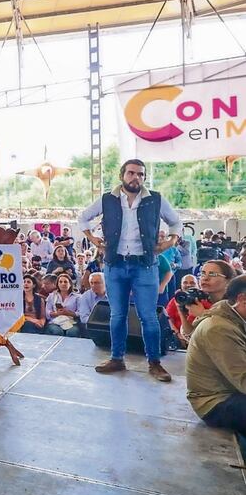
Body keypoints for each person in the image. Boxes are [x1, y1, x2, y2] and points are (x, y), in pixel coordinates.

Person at [79, 159, 182, 383]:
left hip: (145, 265)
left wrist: (171, 241)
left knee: (148, 316)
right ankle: (117, 359)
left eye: (141, 174)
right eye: (131, 173)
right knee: (117, 315)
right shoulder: (108, 199)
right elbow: (83, 217)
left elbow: (176, 222)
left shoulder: (155, 199)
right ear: (122, 175)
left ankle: (154, 362)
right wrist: (92, 238)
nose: (136, 177)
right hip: (115, 264)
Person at [186, 275, 246, 437]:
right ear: (242, 299)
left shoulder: (234, 318)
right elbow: (243, 381)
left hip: (231, 390)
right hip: (215, 401)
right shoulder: (219, 329)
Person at [77, 271, 108, 337]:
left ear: (105, 282)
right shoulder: (85, 296)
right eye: (91, 283)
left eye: (97, 283)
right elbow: (84, 317)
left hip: (109, 326)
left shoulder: (114, 295)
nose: (93, 285)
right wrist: (98, 323)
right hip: (93, 327)